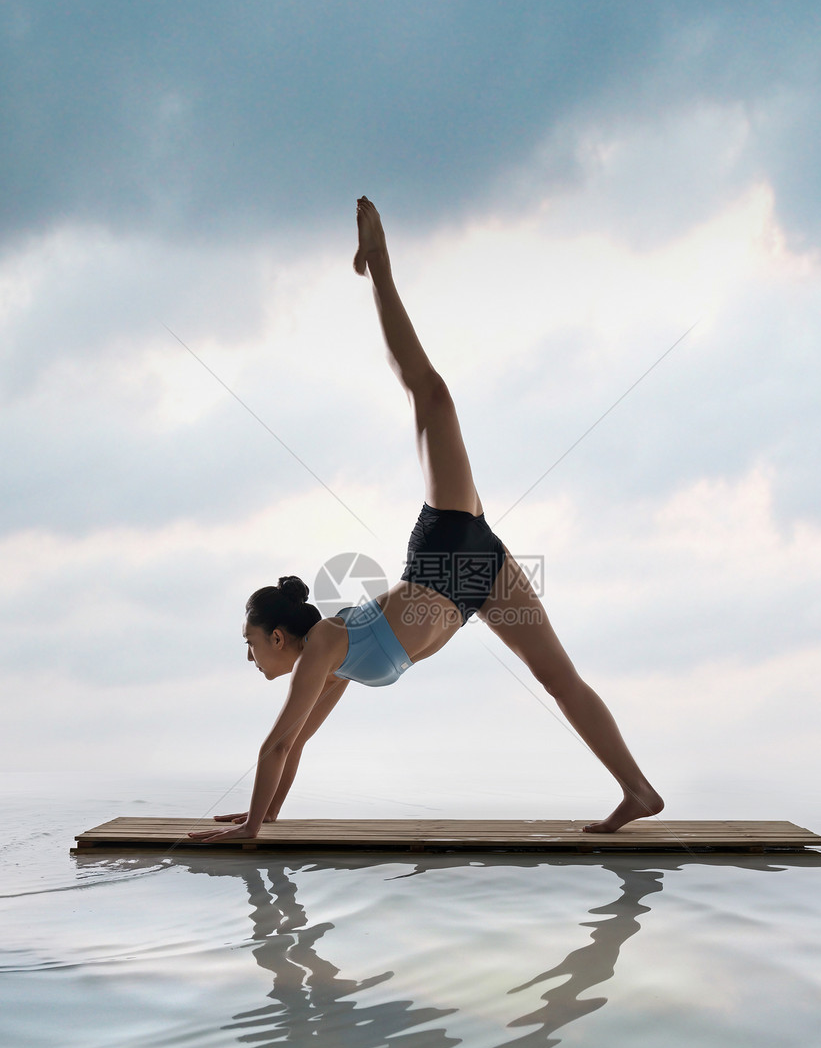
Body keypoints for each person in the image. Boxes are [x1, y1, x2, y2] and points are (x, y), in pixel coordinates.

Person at [189, 199, 663, 843]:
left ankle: (379, 267)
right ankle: (638, 790)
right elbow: (292, 748)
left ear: (278, 637)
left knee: (431, 393)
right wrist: (262, 817)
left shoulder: (325, 645)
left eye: (249, 642)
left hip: (444, 554)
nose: (248, 656)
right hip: (476, 579)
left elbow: (274, 745)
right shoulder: (327, 665)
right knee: (558, 679)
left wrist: (247, 831)